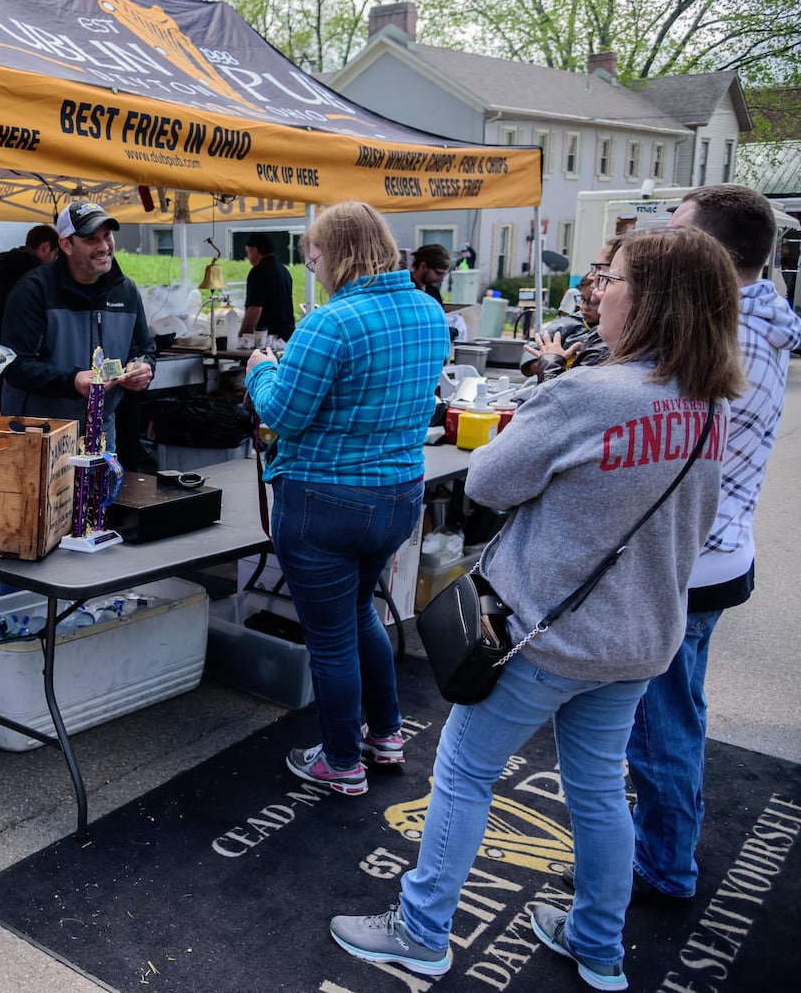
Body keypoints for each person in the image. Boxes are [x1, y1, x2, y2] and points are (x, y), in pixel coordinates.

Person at [329, 225, 746, 988]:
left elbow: (485, 484)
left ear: (648, 298)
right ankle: (597, 944)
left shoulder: (587, 394)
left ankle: (421, 929)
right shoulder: (712, 403)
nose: (596, 292)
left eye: (608, 278)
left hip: (544, 636)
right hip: (641, 636)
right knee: (596, 787)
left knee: (462, 771)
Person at [625, 184, 801, 902]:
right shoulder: (742, 320)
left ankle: (664, 865)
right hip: (710, 554)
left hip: (692, 562)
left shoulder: (737, 338)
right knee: (673, 714)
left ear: (717, 255)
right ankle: (661, 850)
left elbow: (677, 447)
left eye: (678, 236)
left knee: (661, 726)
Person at [243, 202, 449, 796]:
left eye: (315, 258)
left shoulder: (330, 323)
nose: (315, 269)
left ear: (338, 254)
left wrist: (261, 367)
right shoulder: (427, 311)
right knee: (362, 615)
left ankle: (340, 761)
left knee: (330, 636)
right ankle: (385, 735)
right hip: (398, 496)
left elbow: (283, 412)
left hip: (324, 500)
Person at [0, 200, 155, 450]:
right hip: (39, 435)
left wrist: (144, 368)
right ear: (66, 245)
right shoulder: (34, 290)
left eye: (107, 236)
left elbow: (143, 350)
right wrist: (72, 380)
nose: (104, 247)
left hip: (100, 434)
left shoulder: (125, 291)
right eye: (91, 239)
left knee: (102, 491)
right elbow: (13, 365)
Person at [0, 224, 59, 411]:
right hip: (9, 353)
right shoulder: (35, 275)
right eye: (55, 254)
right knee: (9, 417)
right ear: (45, 247)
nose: (54, 261)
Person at [519, 239, 617, 380]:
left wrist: (552, 363)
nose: (584, 307)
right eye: (582, 300)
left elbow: (564, 393)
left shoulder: (614, 340)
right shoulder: (570, 323)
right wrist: (545, 362)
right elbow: (534, 345)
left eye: (600, 270)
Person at [238, 233, 295, 341]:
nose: (247, 257)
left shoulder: (258, 272)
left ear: (254, 251)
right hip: (287, 336)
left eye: (247, 252)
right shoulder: (283, 270)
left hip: (267, 337)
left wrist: (241, 337)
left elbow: (254, 310)